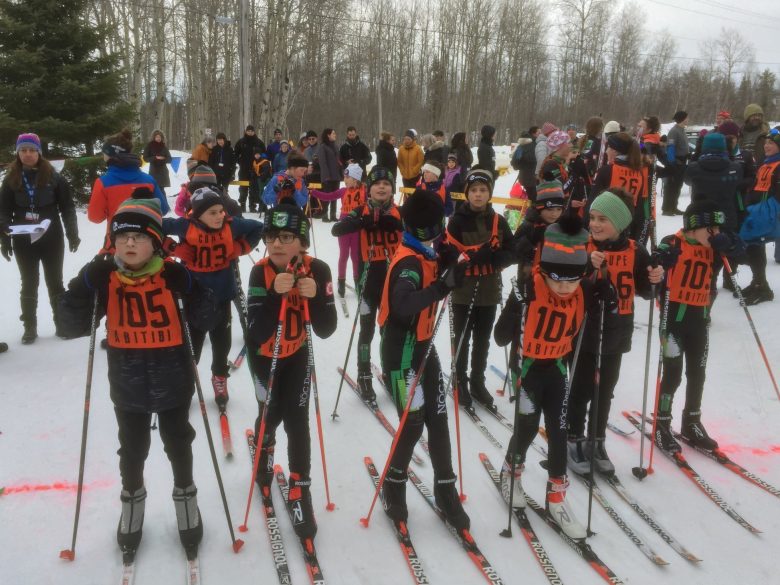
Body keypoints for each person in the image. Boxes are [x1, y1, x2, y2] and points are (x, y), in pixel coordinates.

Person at [57, 193, 214, 558]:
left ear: (156, 242)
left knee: (178, 442)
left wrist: (191, 287)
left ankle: (186, 499)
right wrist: (82, 287)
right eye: (122, 236)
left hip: (174, 379)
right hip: (127, 384)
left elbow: (209, 319)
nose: (129, 242)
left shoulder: (172, 276)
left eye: (140, 236)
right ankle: (132, 504)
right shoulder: (106, 278)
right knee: (132, 449)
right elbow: (69, 327)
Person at [494, 215, 609, 539]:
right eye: (556, 278)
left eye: (571, 280)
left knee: (559, 433)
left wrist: (605, 296)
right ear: (544, 269)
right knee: (528, 427)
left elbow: (605, 313)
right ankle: (510, 472)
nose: (563, 286)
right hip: (528, 369)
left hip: (558, 370)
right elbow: (500, 337)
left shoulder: (583, 289)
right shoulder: (530, 289)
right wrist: (516, 306)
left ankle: (556, 497)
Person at [377, 188, 470, 532]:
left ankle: (445, 487)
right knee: (413, 422)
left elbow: (441, 267)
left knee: (439, 416)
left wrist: (449, 263)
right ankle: (394, 482)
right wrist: (442, 288)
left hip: (423, 347)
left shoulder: (424, 252)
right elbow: (403, 304)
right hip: (400, 355)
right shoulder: (409, 263)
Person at [246, 198, 337, 540]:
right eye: (271, 237)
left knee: (298, 420)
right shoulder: (260, 271)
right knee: (270, 413)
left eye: (286, 237)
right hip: (264, 356)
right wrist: (272, 294)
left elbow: (326, 330)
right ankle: (264, 447)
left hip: (297, 353)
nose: (276, 244)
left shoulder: (320, 270)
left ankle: (300, 488)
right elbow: (255, 331)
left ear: (302, 241)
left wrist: (316, 298)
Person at [567, 190, 663, 475]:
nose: (594, 224)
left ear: (620, 223)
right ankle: (573, 439)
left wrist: (655, 279)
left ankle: (597, 440)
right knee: (581, 388)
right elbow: (566, 283)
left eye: (603, 219)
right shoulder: (583, 246)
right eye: (592, 218)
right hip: (585, 331)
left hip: (616, 332)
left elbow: (645, 290)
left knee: (604, 390)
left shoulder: (635, 250)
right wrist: (587, 267)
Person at [163, 187, 264, 405]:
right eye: (213, 212)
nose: (220, 216)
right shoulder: (185, 226)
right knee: (193, 347)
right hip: (194, 298)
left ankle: (219, 378)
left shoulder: (232, 225)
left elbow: (258, 227)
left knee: (222, 345)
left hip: (222, 296)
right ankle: (187, 381)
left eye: (221, 211)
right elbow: (153, 227)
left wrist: (242, 247)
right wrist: (172, 247)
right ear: (197, 214)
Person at [653, 200, 734, 452]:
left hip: (699, 319)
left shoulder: (714, 249)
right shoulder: (673, 242)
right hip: (673, 320)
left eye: (718, 230)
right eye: (712, 229)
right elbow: (656, 259)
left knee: (697, 373)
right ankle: (662, 423)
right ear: (693, 227)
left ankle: (691, 421)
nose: (716, 234)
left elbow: (741, 250)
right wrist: (662, 259)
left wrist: (728, 243)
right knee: (673, 373)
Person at [445, 169, 515, 409]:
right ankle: (459, 380)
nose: (478, 194)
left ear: (490, 193)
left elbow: (512, 249)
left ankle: (477, 381)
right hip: (463, 290)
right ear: (466, 193)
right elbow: (448, 254)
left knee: (482, 340)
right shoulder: (457, 221)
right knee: (462, 339)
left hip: (488, 289)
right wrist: (474, 257)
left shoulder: (498, 220)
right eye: (473, 190)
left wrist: (496, 260)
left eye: (483, 190)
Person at [0, 132, 79, 343]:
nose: (27, 154)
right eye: (23, 150)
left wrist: (73, 233)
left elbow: (68, 207)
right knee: (29, 282)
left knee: (55, 282)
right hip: (23, 239)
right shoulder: (10, 179)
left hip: (51, 236)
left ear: (39, 152)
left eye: (31, 150)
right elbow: (4, 211)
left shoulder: (54, 176)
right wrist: (4, 237)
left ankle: (61, 324)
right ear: (18, 153)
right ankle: (29, 327)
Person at [331, 167, 402, 400]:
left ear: (392, 188)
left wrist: (389, 221)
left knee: (390, 331)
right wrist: (362, 221)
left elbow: (421, 233)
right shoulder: (360, 210)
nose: (382, 187)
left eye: (387, 183)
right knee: (367, 329)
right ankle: (364, 374)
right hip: (368, 282)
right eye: (377, 183)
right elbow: (336, 229)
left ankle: (392, 372)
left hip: (394, 283)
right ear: (368, 188)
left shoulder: (399, 213)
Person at [88, 128, 169, 252]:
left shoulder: (103, 182)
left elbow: (95, 217)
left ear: (111, 154)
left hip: (117, 246)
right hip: (146, 246)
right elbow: (163, 210)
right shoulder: (149, 180)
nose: (102, 155)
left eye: (104, 152)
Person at [310, 163, 366, 295]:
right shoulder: (343, 191)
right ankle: (341, 281)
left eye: (347, 178)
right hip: (344, 225)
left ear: (355, 179)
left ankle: (358, 282)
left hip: (357, 225)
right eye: (344, 177)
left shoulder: (365, 191)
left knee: (356, 256)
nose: (344, 180)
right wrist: (313, 192)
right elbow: (328, 196)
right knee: (344, 254)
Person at [739, 128, 780, 305]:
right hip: (757, 209)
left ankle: (762, 288)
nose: (767, 145)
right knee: (753, 246)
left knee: (753, 244)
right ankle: (759, 282)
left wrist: (768, 209)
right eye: (766, 143)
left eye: (771, 143)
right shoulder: (766, 162)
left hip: (767, 212)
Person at [592, 133, 648, 240]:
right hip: (628, 224)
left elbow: (594, 201)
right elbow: (639, 205)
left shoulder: (606, 170)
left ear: (615, 151)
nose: (606, 151)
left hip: (607, 223)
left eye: (609, 147)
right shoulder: (639, 172)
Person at [663, 110, 690, 216]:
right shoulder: (674, 131)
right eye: (687, 117)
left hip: (682, 162)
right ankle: (667, 208)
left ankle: (674, 207)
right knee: (671, 186)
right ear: (682, 119)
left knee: (678, 186)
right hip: (676, 163)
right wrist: (672, 162)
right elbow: (670, 147)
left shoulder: (682, 130)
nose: (688, 119)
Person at [234, 125, 266, 212]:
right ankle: (242, 205)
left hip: (255, 170)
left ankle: (252, 206)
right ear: (246, 131)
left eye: (252, 131)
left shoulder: (259, 142)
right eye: (248, 131)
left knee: (254, 189)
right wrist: (240, 161)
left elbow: (264, 154)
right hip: (244, 169)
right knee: (243, 188)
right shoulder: (241, 142)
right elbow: (235, 154)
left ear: (254, 132)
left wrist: (260, 163)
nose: (250, 132)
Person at [317, 128, 342, 222]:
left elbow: (338, 160)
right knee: (327, 196)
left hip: (336, 176)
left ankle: (333, 215)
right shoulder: (322, 147)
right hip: (327, 177)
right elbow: (322, 163)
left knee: (335, 196)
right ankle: (324, 215)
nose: (335, 135)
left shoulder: (335, 146)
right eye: (333, 133)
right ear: (328, 135)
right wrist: (326, 176)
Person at [511, 127, 539, 199]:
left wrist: (522, 166)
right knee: (534, 199)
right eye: (539, 133)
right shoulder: (535, 146)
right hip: (534, 178)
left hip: (524, 177)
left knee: (530, 198)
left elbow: (514, 164)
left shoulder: (520, 147)